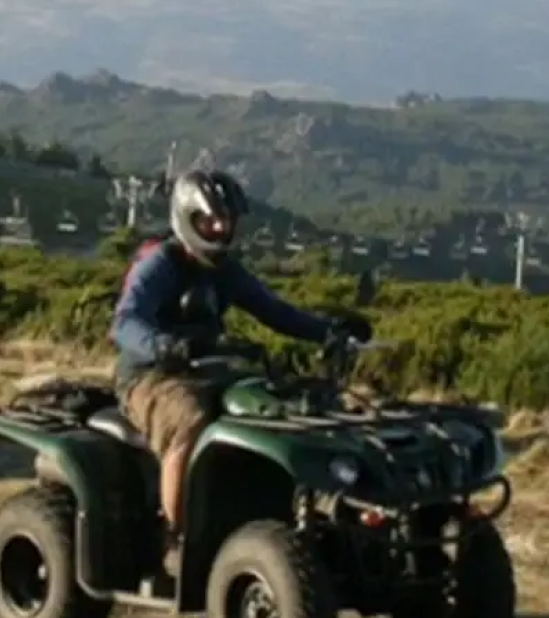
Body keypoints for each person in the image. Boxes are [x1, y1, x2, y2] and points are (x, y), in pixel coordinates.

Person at [109, 168, 372, 579]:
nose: (219, 228)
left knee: (283, 407)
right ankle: (174, 537)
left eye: (226, 220)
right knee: (189, 419)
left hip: (211, 369)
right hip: (151, 376)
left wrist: (328, 332)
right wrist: (164, 346)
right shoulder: (161, 264)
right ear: (187, 219)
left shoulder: (225, 270)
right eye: (209, 221)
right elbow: (124, 322)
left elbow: (274, 311)